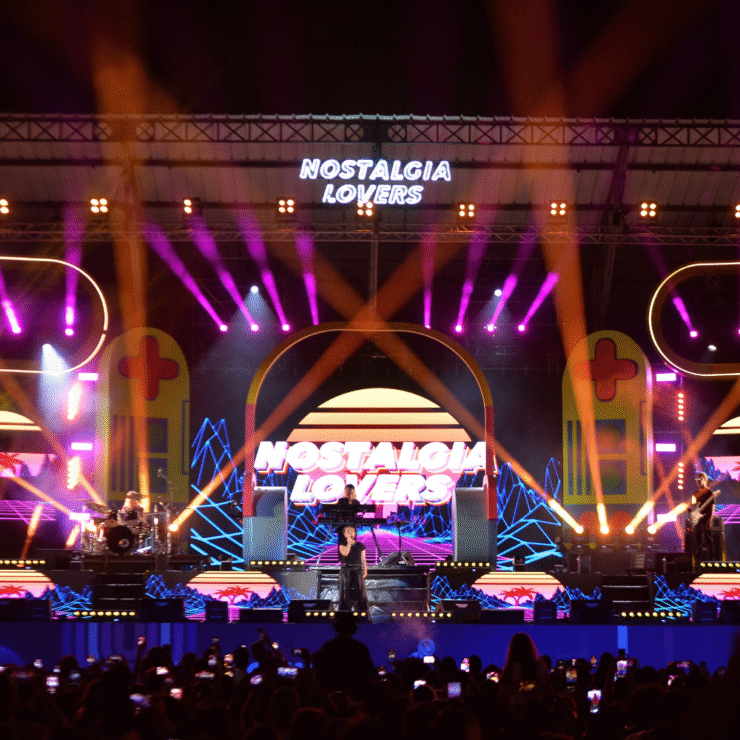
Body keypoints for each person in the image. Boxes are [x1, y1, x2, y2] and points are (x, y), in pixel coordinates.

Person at [338, 524, 368, 612]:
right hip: (346, 570)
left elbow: (363, 559)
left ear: (355, 533)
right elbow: (345, 553)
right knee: (346, 592)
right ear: (344, 534)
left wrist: (365, 570)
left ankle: (361, 612)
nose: (350, 532)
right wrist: (349, 543)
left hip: (357, 570)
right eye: (347, 531)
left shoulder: (360, 545)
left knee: (360, 592)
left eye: (351, 531)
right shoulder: (342, 545)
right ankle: (345, 612)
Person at [690, 472, 716, 564]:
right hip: (697, 519)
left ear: (705, 480)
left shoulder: (709, 492)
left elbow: (711, 507)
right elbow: (693, 507)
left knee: (708, 538)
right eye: (697, 479)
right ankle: (698, 561)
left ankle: (712, 560)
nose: (698, 481)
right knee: (697, 539)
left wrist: (709, 520)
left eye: (700, 479)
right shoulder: (695, 494)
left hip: (706, 518)